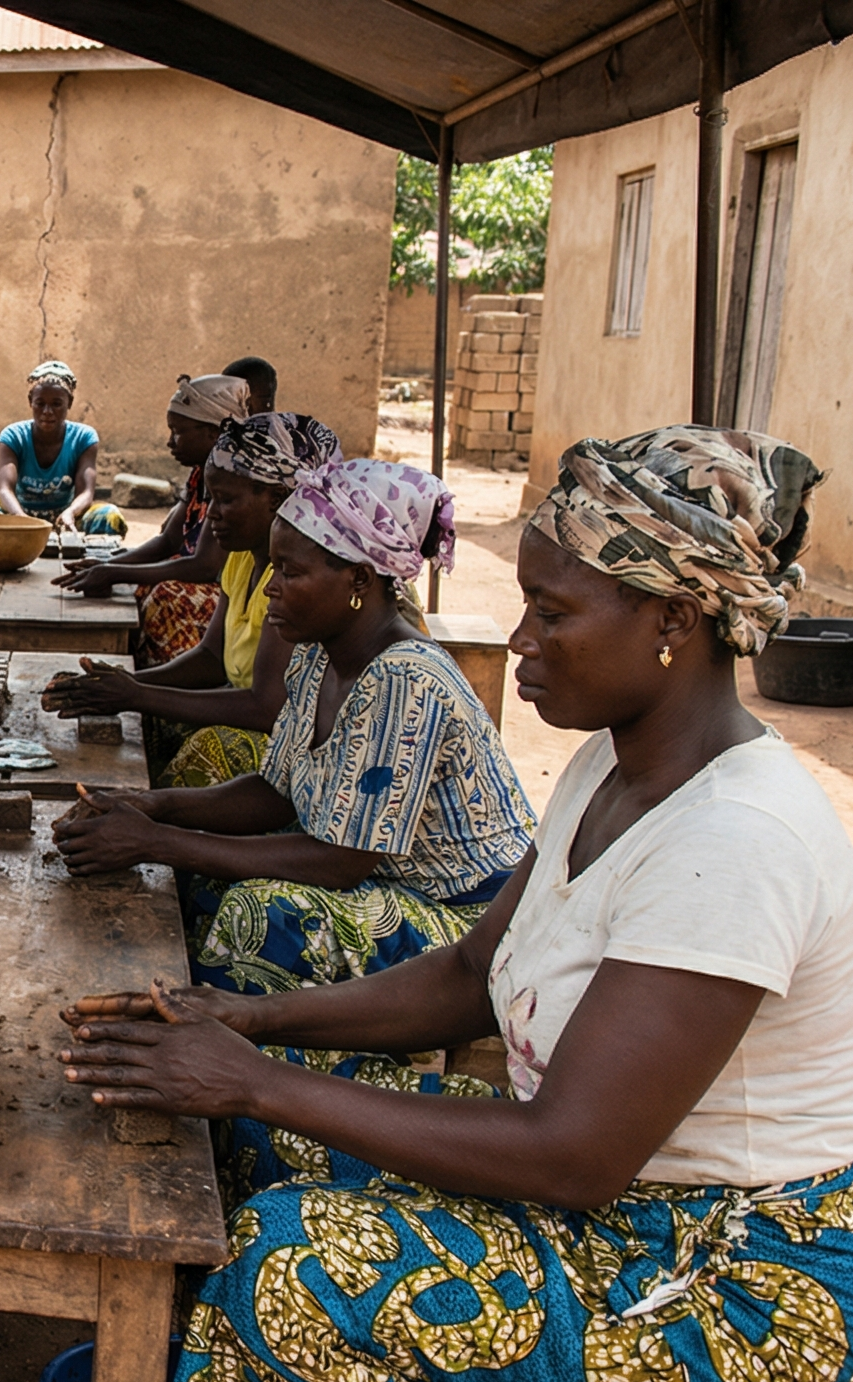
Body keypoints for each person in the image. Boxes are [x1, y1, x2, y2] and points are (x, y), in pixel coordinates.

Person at [59, 428, 853, 1382]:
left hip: (723, 1282)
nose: (519, 640)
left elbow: (573, 1156)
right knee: (260, 1142)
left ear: (674, 622)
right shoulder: (608, 766)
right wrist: (244, 1020)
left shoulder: (736, 839)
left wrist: (253, 1076)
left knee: (297, 1270)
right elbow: (464, 974)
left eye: (552, 612)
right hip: (623, 1209)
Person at [54, 460, 531, 992]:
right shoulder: (317, 653)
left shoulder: (405, 679)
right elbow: (274, 792)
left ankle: (227, 1029)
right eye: (274, 569)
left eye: (290, 572)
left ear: (359, 579)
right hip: (385, 877)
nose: (271, 589)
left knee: (264, 916)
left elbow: (342, 862)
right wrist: (148, 806)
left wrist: (157, 841)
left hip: (472, 921)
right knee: (205, 871)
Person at [45, 410, 344, 788]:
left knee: (215, 748)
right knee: (151, 720)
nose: (212, 514)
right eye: (211, 499)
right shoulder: (242, 558)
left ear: (276, 498)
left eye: (225, 500)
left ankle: (152, 816)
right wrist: (124, 684)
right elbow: (211, 659)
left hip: (309, 746)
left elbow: (266, 708)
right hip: (261, 716)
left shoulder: (298, 581)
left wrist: (136, 694)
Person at [53, 373, 250, 669]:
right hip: (201, 577)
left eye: (178, 432)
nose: (170, 442)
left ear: (214, 433)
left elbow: (204, 566)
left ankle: (170, 682)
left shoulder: (231, 480)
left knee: (166, 596)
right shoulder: (199, 474)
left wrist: (115, 572)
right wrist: (108, 565)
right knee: (141, 587)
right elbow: (168, 541)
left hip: (229, 591)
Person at [0, 360, 102, 528]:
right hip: (18, 512)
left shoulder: (83, 437)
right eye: (40, 403)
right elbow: (4, 490)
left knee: (109, 516)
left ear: (69, 403)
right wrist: (20, 518)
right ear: (30, 401)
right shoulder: (13, 436)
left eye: (56, 404)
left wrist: (71, 513)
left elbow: (86, 492)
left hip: (65, 515)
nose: (47, 412)